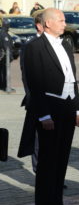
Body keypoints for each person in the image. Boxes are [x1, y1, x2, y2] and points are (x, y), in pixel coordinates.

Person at [23, 8, 79, 205]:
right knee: (47, 163)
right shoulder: (34, 47)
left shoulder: (65, 45)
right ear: (47, 23)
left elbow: (72, 78)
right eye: (61, 20)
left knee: (61, 161)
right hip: (49, 109)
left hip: (67, 108)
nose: (64, 23)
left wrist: (78, 109)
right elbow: (35, 84)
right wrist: (43, 115)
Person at [18, 10, 45, 173]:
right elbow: (27, 75)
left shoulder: (60, 44)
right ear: (40, 26)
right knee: (38, 140)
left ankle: (53, 176)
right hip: (37, 99)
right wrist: (33, 98)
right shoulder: (30, 46)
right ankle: (41, 172)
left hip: (57, 101)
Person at [0, 19, 15, 91]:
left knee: (3, 72)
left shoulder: (3, 33)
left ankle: (2, 85)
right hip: (4, 56)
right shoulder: (4, 34)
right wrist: (10, 56)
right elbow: (6, 47)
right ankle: (5, 86)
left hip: (3, 56)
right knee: (5, 72)